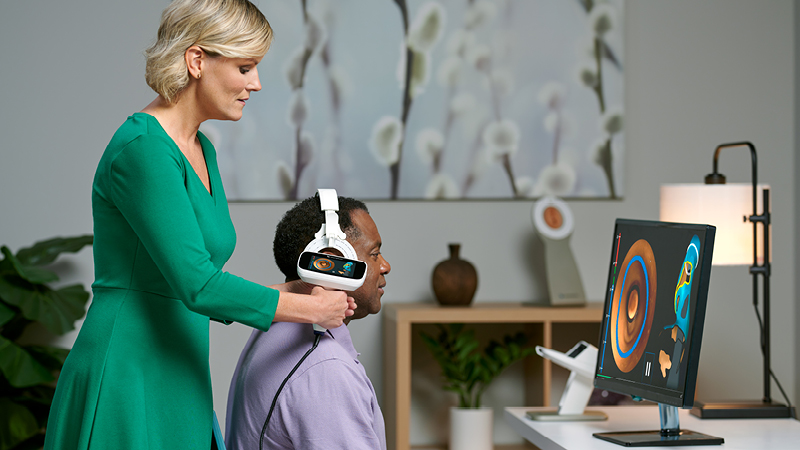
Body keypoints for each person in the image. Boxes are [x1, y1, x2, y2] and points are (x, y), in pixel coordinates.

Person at [43, 1, 355, 449]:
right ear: (196, 60)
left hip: (180, 368)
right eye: (245, 67)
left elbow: (196, 279)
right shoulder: (142, 149)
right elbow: (197, 284)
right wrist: (311, 310)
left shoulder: (200, 149)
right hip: (129, 373)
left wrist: (292, 295)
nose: (257, 83)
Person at [225, 195, 391, 450]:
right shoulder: (325, 368)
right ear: (329, 262)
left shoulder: (274, 328)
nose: (385, 266)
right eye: (375, 254)